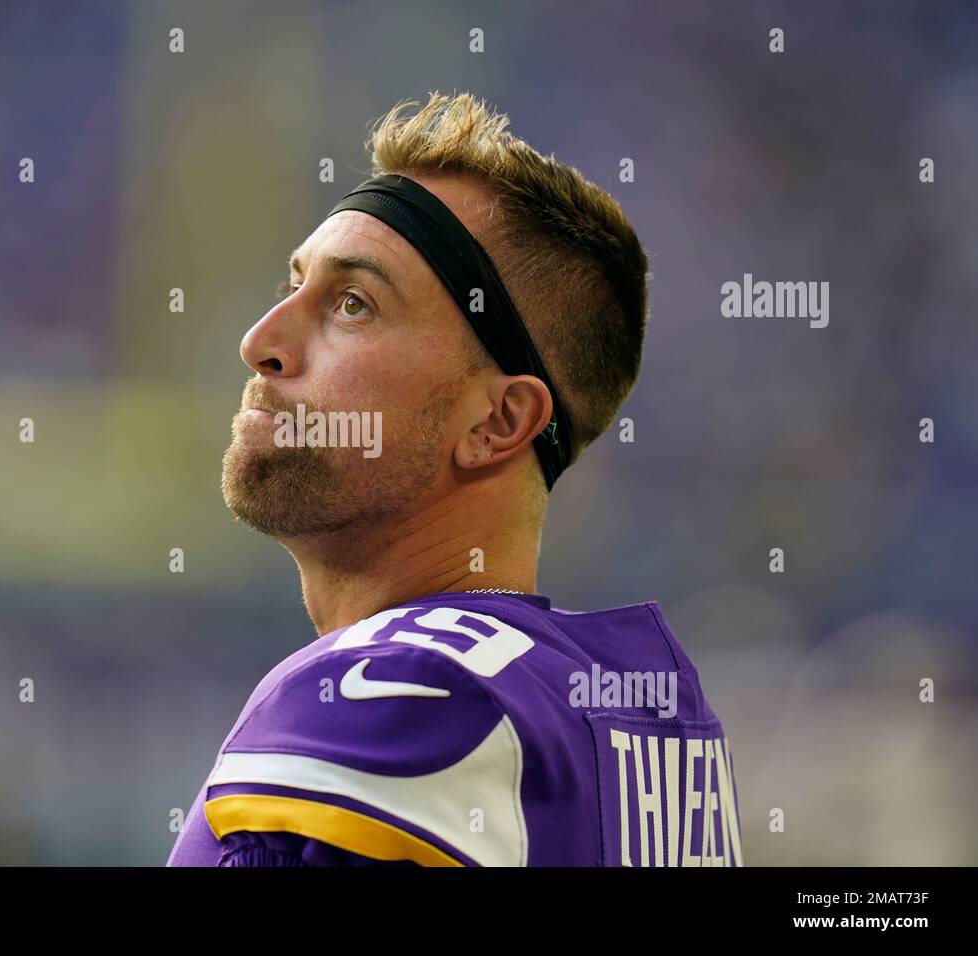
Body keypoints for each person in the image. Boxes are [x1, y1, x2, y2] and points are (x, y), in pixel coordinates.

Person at [167, 91, 742, 866]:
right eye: (290, 288)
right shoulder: (638, 720)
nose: (260, 341)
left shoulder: (394, 690)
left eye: (352, 304)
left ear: (498, 423)